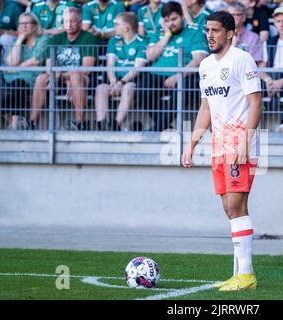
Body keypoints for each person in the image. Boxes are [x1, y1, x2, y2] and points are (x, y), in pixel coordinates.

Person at [181, 10, 262, 291]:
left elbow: (256, 103)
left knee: (234, 206)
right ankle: (240, 272)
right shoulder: (205, 66)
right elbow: (206, 108)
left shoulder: (242, 60)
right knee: (230, 210)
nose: (210, 35)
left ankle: (247, 275)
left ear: (229, 33)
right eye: (208, 30)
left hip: (240, 145)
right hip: (219, 146)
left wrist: (246, 141)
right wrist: (192, 142)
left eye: (216, 30)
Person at [142, 1, 208, 131]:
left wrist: (178, 75)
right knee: (142, 88)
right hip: (158, 75)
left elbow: (199, 60)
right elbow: (150, 56)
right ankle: (164, 126)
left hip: (185, 76)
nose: (170, 23)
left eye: (174, 19)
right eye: (167, 20)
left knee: (183, 89)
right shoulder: (160, 33)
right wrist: (167, 35)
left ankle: (157, 129)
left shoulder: (194, 31)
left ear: (182, 16)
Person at [31, 6, 98, 130]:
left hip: (82, 79)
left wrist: (66, 77)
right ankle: (32, 122)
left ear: (80, 22)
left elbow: (86, 69)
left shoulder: (89, 38)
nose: (69, 24)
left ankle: (80, 122)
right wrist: (63, 78)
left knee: (76, 75)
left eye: (72, 21)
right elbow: (49, 66)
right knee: (41, 78)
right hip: (58, 77)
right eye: (66, 21)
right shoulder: (56, 39)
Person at [0, 12, 49, 130]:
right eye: (21, 24)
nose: (23, 26)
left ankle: (16, 122)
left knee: (17, 86)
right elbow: (11, 62)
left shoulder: (43, 39)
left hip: (31, 78)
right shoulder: (17, 41)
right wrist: (20, 39)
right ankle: (12, 120)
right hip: (12, 77)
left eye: (26, 23)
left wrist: (17, 68)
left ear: (35, 25)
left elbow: (36, 60)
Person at [94, 12, 148, 131]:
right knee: (101, 88)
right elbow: (110, 64)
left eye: (117, 24)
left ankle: (116, 124)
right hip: (115, 80)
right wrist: (113, 81)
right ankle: (102, 125)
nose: (114, 27)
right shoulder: (114, 40)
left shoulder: (142, 42)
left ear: (126, 28)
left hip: (132, 81)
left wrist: (121, 83)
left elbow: (136, 70)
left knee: (128, 88)